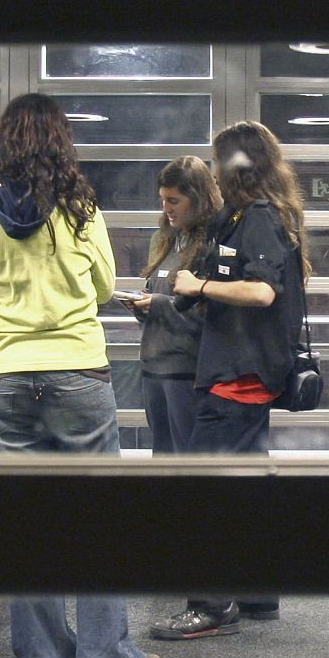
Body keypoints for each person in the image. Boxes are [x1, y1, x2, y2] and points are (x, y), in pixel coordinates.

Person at [0, 93, 161, 658]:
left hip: (6, 374)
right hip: (76, 370)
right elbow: (102, 287)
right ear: (60, 143)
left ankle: (44, 655)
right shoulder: (81, 210)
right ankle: (103, 652)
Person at [149, 121, 310, 640]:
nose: (215, 170)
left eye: (220, 161)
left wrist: (200, 285)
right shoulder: (246, 217)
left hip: (239, 376)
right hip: (242, 371)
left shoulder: (259, 217)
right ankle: (257, 594)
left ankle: (211, 605)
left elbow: (262, 292)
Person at [121, 156, 221, 453]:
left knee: (189, 462)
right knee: (163, 460)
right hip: (155, 367)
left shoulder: (213, 245)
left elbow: (211, 315)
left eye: (174, 201)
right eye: (163, 200)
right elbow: (163, 298)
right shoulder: (165, 240)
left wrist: (160, 305)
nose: (166, 207)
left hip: (187, 371)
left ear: (198, 199)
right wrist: (142, 306)